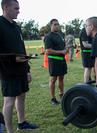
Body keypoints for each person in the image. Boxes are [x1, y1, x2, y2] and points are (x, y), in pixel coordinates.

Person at [0, 0, 39, 132]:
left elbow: (22, 49)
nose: (19, 11)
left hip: (21, 69)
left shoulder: (16, 27)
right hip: (7, 71)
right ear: (5, 7)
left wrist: (27, 69)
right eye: (16, 8)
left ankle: (22, 123)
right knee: (9, 101)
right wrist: (13, 58)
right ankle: (9, 130)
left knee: (22, 95)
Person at [44, 19, 67, 105]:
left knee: (61, 78)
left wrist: (65, 50)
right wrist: (61, 52)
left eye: (58, 24)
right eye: (55, 24)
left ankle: (61, 94)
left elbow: (62, 46)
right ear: (51, 26)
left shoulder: (60, 35)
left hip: (62, 60)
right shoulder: (48, 36)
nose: (57, 26)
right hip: (54, 61)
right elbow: (48, 51)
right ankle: (53, 98)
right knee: (53, 79)